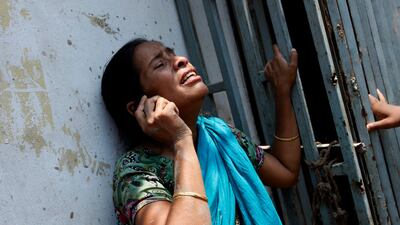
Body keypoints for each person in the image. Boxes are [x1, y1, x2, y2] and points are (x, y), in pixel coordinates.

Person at [101, 38, 301, 225]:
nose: (181, 60)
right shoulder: (136, 171)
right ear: (138, 106)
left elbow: (286, 172)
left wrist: (282, 93)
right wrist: (181, 140)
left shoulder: (219, 135)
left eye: (173, 54)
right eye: (160, 64)